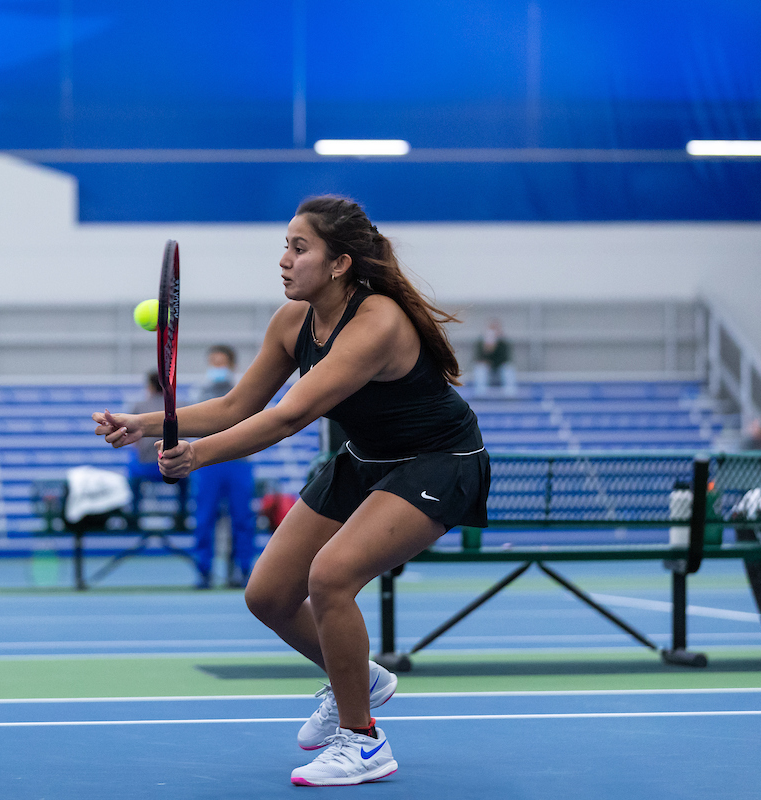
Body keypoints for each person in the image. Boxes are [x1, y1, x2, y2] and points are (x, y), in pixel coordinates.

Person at [93, 195, 489, 786]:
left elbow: (287, 418)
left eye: (299, 248)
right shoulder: (291, 323)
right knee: (268, 594)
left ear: (339, 264)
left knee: (330, 576)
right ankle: (363, 677)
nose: (284, 259)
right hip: (364, 460)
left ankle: (363, 742)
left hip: (436, 462)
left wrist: (196, 455)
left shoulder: (377, 320)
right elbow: (235, 406)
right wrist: (146, 425)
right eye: (285, 244)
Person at [190, 345, 256, 589]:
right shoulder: (200, 391)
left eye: (222, 363)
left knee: (242, 518)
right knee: (204, 517)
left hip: (239, 461)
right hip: (208, 463)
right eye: (213, 362)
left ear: (232, 365)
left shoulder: (246, 390)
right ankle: (204, 572)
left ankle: (244, 570)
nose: (217, 367)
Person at [128, 371, 190, 530]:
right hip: (173, 465)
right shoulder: (179, 406)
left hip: (145, 468)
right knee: (187, 473)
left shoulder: (139, 407)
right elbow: (185, 438)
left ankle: (133, 515)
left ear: (149, 386)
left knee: (132, 471)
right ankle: (182, 515)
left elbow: (133, 441)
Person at [471, 318, 516, 396]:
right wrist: (487, 350)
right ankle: (481, 394)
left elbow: (505, 359)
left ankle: (510, 394)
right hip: (487, 370)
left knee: (508, 369)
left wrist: (494, 348)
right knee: (480, 369)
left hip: (499, 369)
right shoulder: (481, 343)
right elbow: (478, 359)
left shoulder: (503, 343)